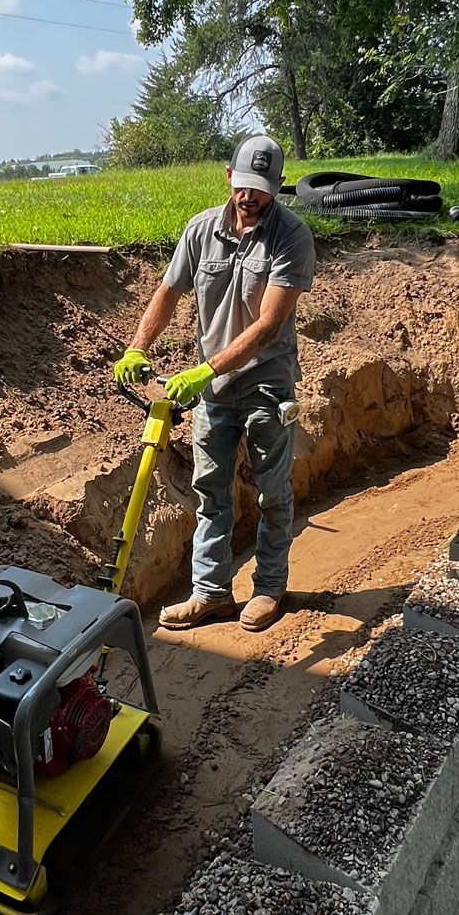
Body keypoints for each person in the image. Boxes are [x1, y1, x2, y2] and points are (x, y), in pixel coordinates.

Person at [114, 135, 315, 632]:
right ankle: (211, 593)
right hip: (216, 393)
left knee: (271, 493)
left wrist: (207, 369)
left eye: (262, 189)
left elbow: (269, 323)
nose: (251, 197)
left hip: (267, 385)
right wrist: (137, 346)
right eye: (244, 185)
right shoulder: (201, 230)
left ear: (276, 188)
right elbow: (167, 293)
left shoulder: (292, 236)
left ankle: (270, 588)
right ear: (229, 177)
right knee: (211, 492)